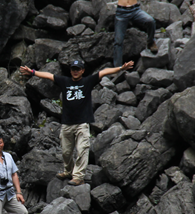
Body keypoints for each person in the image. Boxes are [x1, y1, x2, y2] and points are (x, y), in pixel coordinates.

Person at [19, 58, 133, 186]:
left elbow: (104, 72)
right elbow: (49, 76)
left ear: (83, 70)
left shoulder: (88, 81)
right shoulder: (65, 81)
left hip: (82, 123)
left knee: (82, 149)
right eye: (73, 69)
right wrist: (32, 72)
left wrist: (121, 69)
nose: (75, 71)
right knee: (66, 152)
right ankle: (68, 171)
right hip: (67, 123)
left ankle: (78, 176)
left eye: (78, 69)